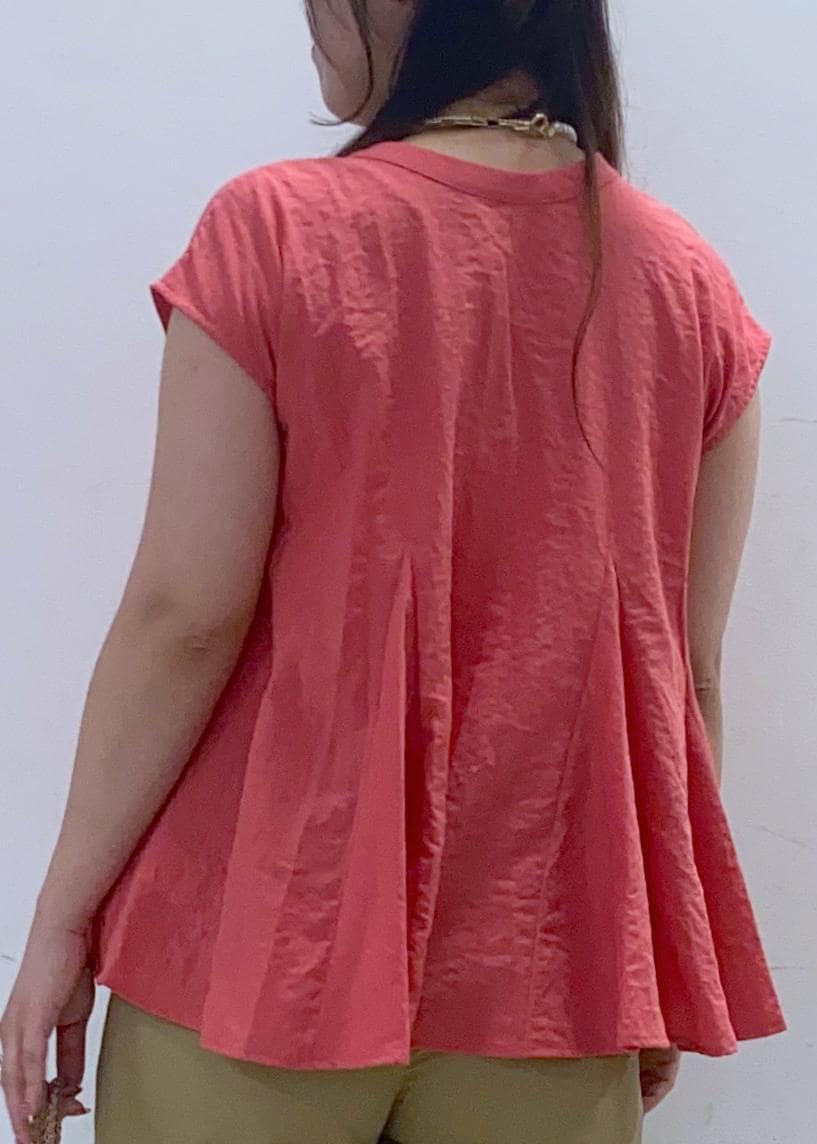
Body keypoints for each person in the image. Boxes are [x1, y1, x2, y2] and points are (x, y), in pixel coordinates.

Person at [0, 0, 787, 1141]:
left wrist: (60, 919)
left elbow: (185, 617)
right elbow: (685, 679)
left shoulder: (276, 231)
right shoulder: (692, 287)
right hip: (550, 981)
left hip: (258, 953)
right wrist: (651, 957)